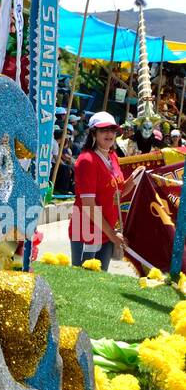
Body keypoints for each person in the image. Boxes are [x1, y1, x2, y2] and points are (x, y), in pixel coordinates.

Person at [70, 111, 140, 270]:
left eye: (112, 130)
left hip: (107, 230)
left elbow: (117, 194)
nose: (109, 134)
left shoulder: (113, 156)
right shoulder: (87, 160)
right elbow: (88, 205)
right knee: (83, 284)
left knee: (100, 284)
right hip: (86, 230)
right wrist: (112, 234)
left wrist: (134, 179)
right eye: (104, 130)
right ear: (93, 133)